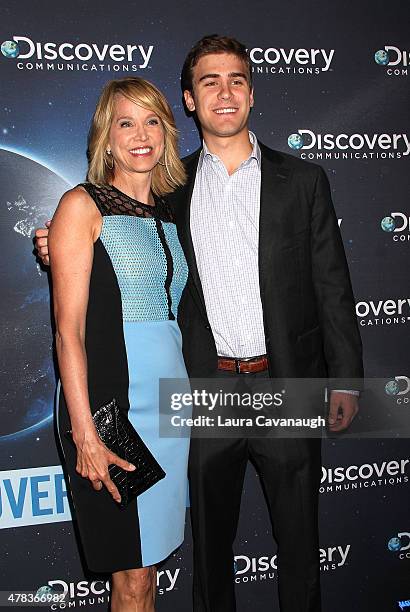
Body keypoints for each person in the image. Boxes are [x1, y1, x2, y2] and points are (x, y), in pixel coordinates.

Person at [36, 35, 363, 612]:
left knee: (300, 542)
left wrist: (345, 380)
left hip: (285, 385)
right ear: (190, 100)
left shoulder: (303, 181)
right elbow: (105, 241)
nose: (225, 91)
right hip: (201, 392)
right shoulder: (172, 189)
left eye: (236, 79)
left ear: (252, 93)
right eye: (209, 81)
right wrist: (54, 243)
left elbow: (333, 287)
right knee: (208, 550)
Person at [47, 77, 189, 612]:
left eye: (152, 120)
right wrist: (85, 432)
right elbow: (68, 331)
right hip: (111, 409)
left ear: (167, 133)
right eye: (125, 122)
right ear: (106, 137)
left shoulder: (171, 214)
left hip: (171, 408)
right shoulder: (81, 206)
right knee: (131, 575)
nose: (140, 134)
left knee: (147, 573)